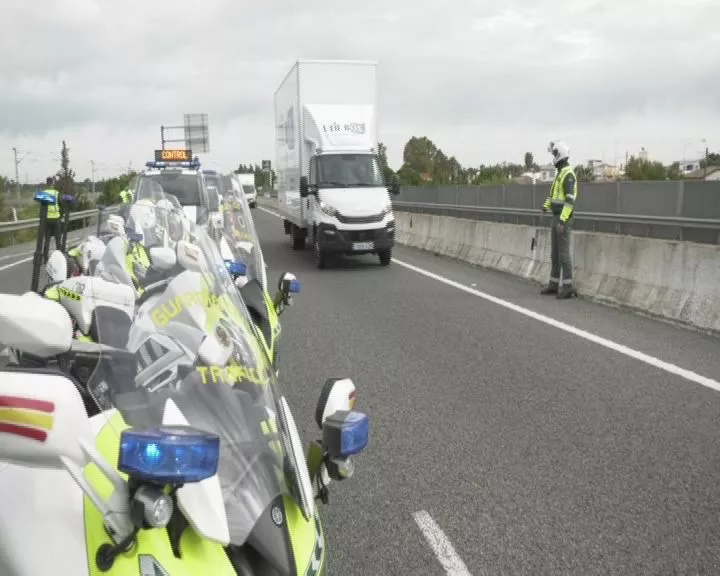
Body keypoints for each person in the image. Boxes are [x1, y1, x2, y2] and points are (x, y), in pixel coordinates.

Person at [540, 141, 578, 299]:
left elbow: (569, 201)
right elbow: (554, 196)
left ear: (561, 155)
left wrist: (562, 221)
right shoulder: (560, 173)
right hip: (555, 216)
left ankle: (568, 286)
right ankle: (554, 284)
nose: (553, 157)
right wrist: (545, 207)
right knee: (554, 253)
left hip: (563, 218)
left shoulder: (568, 174)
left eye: (555, 154)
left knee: (563, 254)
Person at [41, 176, 62, 264]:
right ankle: (59, 259)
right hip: (56, 219)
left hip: (47, 219)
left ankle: (45, 259)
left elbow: (42, 206)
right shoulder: (56, 193)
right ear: (53, 183)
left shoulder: (43, 193)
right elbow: (60, 204)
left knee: (47, 240)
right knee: (58, 239)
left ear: (46, 183)